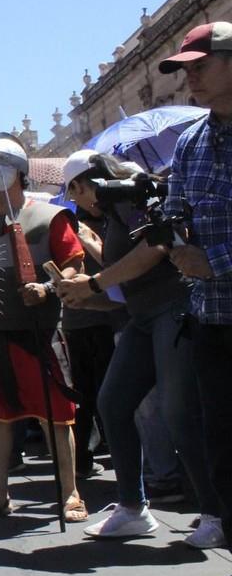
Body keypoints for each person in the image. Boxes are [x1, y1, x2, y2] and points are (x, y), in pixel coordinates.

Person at [57, 149, 222, 547]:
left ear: (87, 182)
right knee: (113, 403)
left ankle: (217, 513)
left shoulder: (130, 193)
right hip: (143, 318)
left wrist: (92, 284)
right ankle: (132, 508)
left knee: (179, 410)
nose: (75, 201)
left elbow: (155, 248)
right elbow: (124, 290)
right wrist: (82, 296)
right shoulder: (113, 213)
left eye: (74, 192)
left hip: (173, 310)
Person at [0, 137, 86, 522]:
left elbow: (73, 263)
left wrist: (47, 287)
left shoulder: (48, 218)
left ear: (17, 173)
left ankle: (70, 494)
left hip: (37, 333)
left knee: (56, 415)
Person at [148, 22, 232, 576]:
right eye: (184, 68)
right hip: (212, 322)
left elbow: (210, 252)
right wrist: (174, 239)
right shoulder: (191, 143)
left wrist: (216, 259)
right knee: (224, 449)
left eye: (200, 64)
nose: (190, 76)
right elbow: (175, 214)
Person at [51, 156, 122, 479]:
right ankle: (85, 457)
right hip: (83, 322)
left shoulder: (114, 217)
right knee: (89, 394)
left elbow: (114, 264)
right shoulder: (73, 225)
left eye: (75, 191)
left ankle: (117, 456)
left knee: (111, 394)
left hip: (112, 319)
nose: (74, 198)